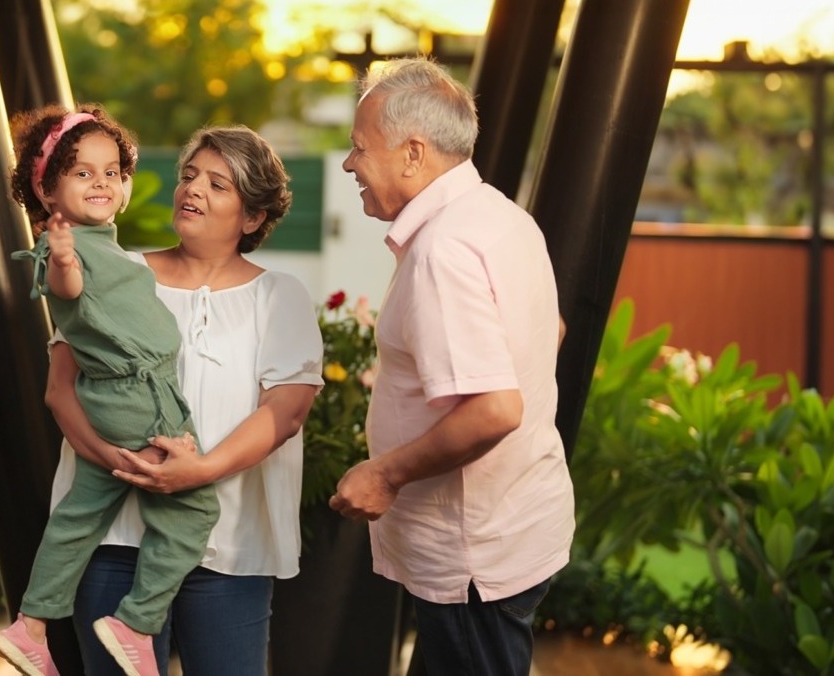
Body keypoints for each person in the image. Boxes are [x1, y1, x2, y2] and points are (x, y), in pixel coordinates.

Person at [43, 124, 324, 675]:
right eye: (190, 176)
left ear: (252, 217)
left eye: (218, 185)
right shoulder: (113, 271)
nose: (192, 190)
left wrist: (198, 471)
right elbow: (60, 390)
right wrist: (119, 464)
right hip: (114, 540)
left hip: (230, 550)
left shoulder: (279, 295)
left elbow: (285, 412)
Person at [328, 57, 575, 676]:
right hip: (507, 531)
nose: (348, 164)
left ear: (412, 154)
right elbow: (552, 330)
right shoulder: (503, 217)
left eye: (360, 148)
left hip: (473, 557)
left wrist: (385, 475)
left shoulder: (443, 249)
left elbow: (495, 409)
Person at [0, 103, 218, 676]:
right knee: (192, 510)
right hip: (139, 400)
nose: (101, 182)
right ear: (46, 190)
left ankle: (32, 625)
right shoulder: (70, 248)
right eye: (81, 172)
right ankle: (137, 623)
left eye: (111, 171)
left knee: (77, 518)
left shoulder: (105, 243)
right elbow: (67, 288)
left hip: (110, 401)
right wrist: (62, 258)